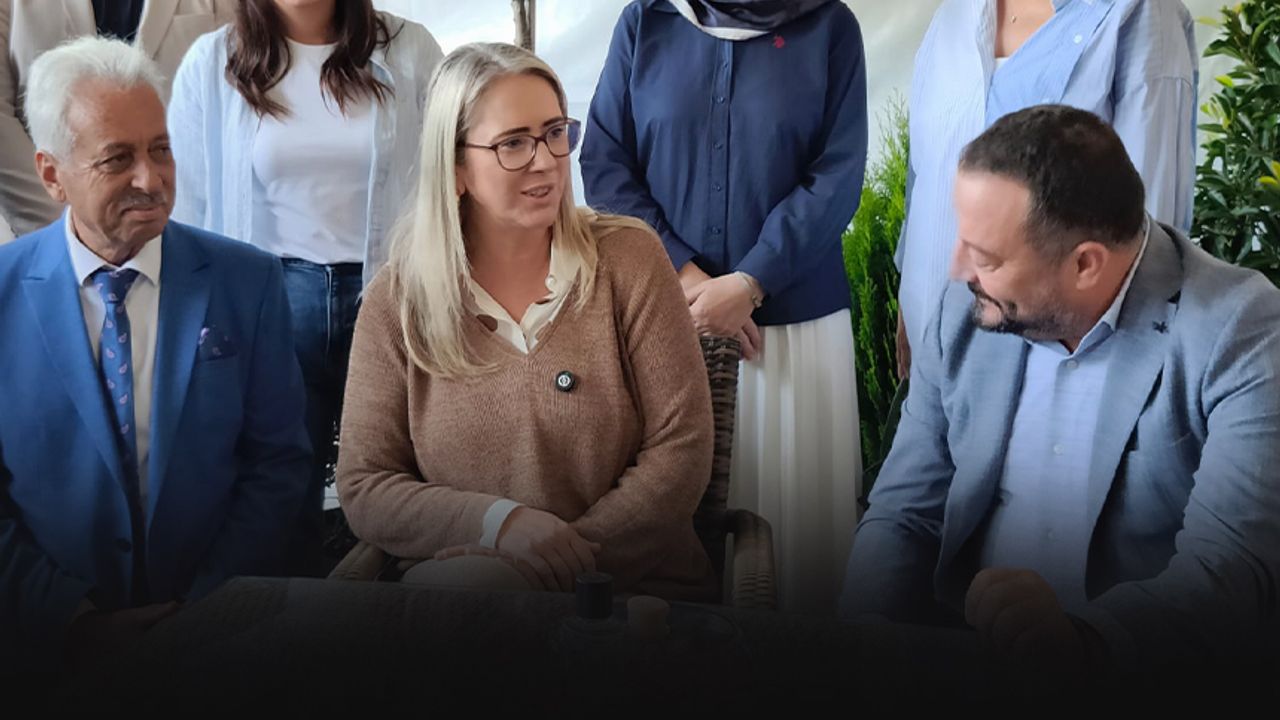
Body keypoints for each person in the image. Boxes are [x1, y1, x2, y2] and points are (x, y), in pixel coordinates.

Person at [841, 105, 1280, 676]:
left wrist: (1081, 641)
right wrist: (857, 650)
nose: (957, 271)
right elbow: (903, 513)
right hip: (958, 658)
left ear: (1085, 265)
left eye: (985, 257)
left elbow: (1231, 571)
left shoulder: (1242, 331)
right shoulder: (970, 309)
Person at [336, 42, 717, 600]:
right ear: (457, 169)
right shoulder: (396, 302)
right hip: (457, 602)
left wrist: (554, 570)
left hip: (633, 600)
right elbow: (366, 486)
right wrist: (499, 525)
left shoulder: (630, 259)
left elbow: (681, 450)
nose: (545, 160)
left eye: (555, 132)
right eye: (513, 143)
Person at [0, 37, 310, 672]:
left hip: (220, 643)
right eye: (117, 158)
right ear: (52, 175)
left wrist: (202, 611)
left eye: (160, 149)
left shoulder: (247, 281)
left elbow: (278, 464)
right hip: (48, 654)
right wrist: (71, 619)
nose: (150, 179)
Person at [580, 0, 867, 615]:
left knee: (795, 551)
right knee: (671, 544)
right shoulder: (645, 20)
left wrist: (751, 282)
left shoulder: (830, 26)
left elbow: (839, 173)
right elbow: (604, 160)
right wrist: (683, 276)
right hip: (666, 323)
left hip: (793, 329)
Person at [168, 0, 443, 572]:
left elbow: (448, 176)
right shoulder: (211, 63)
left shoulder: (411, 49)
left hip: (390, 294)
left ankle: (405, 616)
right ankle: (288, 618)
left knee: (408, 481)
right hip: (276, 304)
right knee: (281, 494)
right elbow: (187, 208)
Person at [894, 0, 1197, 377]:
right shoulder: (952, 16)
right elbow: (925, 172)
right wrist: (910, 297)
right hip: (933, 344)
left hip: (1058, 368)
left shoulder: (1142, 15)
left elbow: (1150, 222)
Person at [1, 0, 236, 237]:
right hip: (50, 219)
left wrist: (176, 230)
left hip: (189, 224)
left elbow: (233, 104)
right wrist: (72, 230)